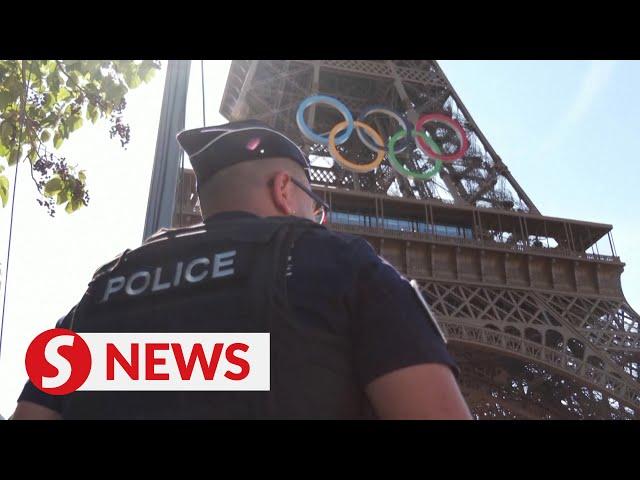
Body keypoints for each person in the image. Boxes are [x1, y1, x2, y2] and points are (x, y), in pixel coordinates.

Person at [11, 120, 472, 420]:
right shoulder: (341, 264)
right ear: (284, 189)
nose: (317, 218)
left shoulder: (105, 288)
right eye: (317, 206)